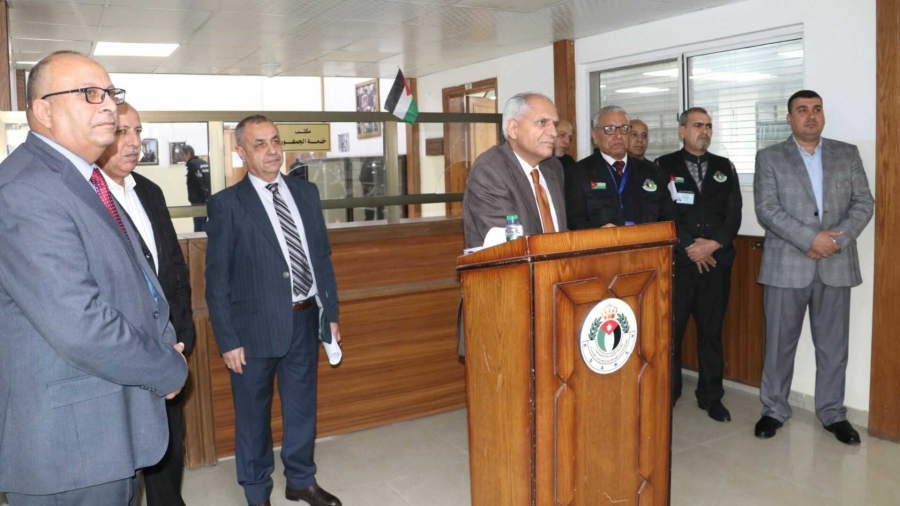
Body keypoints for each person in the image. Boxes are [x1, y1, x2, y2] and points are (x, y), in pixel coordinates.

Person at [0, 51, 187, 505]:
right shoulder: (27, 189)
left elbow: (133, 285)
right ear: (43, 111)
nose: (108, 105)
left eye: (110, 93)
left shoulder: (82, 180)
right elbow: (80, 325)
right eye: (89, 93)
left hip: (106, 427)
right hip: (70, 446)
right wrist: (165, 366)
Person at [205, 115, 342, 506]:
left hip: (305, 319)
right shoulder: (227, 204)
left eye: (276, 141)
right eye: (260, 144)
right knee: (253, 417)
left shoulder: (306, 193)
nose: (272, 150)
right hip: (253, 331)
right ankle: (256, 493)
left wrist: (330, 314)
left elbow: (321, 258)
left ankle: (301, 480)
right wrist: (227, 339)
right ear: (241, 152)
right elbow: (217, 279)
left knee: (301, 409)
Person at [753, 90, 874, 443]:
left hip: (836, 262)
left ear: (823, 115)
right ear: (789, 118)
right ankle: (774, 409)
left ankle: (833, 413)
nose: (811, 115)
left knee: (834, 347)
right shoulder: (770, 157)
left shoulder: (847, 154)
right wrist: (811, 239)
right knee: (779, 345)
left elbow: (864, 202)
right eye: (802, 110)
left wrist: (834, 241)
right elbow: (767, 209)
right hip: (786, 265)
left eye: (816, 109)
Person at [97, 102, 195, 506]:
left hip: (169, 350)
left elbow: (173, 266)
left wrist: (183, 334)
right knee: (123, 465)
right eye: (122, 131)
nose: (134, 141)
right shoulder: (89, 196)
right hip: (120, 354)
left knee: (169, 452)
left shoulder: (150, 191)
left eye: (137, 131)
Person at [655, 107, 742, 422]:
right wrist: (690, 246)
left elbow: (734, 213)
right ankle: (670, 394)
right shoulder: (663, 166)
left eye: (708, 126)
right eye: (697, 125)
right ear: (682, 131)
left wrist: (713, 245)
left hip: (716, 263)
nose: (704, 131)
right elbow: (663, 212)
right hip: (680, 263)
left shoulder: (724, 167)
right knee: (672, 334)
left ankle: (711, 397)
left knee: (711, 333)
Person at [462, 92, 567, 248]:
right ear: (513, 129)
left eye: (555, 125)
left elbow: (560, 232)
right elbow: (510, 244)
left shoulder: (553, 167)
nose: (553, 133)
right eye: (542, 122)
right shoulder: (489, 171)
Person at [564, 106, 673, 230]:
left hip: (648, 241)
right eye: (610, 129)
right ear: (595, 136)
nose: (619, 135)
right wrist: (599, 233)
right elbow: (574, 220)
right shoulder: (578, 173)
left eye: (624, 129)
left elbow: (669, 218)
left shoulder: (652, 171)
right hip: (603, 241)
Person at [182, 144, 210, 232]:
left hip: (198, 201)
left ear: (188, 154)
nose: (181, 157)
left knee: (199, 228)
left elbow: (199, 182)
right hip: (207, 199)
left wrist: (197, 198)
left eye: (182, 155)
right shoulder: (203, 163)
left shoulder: (192, 165)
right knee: (204, 226)